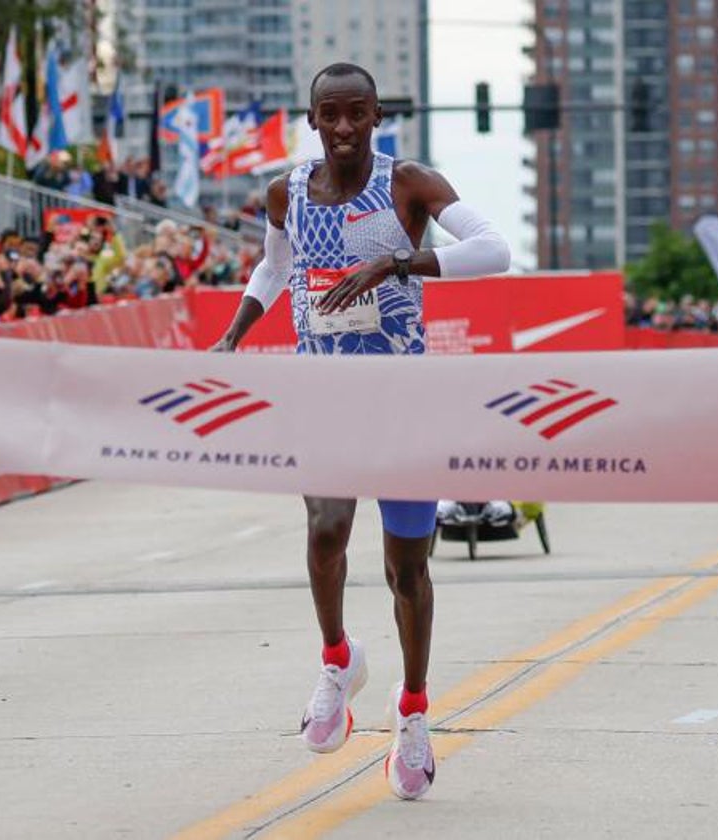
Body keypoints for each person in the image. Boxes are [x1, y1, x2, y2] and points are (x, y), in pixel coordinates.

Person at [210, 62, 510, 800]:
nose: (344, 127)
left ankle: (412, 712)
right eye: (330, 115)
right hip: (326, 399)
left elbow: (495, 250)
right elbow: (274, 270)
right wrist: (234, 336)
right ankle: (339, 660)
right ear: (311, 120)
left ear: (377, 116)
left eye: (358, 114)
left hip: (403, 403)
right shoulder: (288, 191)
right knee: (324, 533)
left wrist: (400, 261)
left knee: (407, 569)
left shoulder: (408, 184)